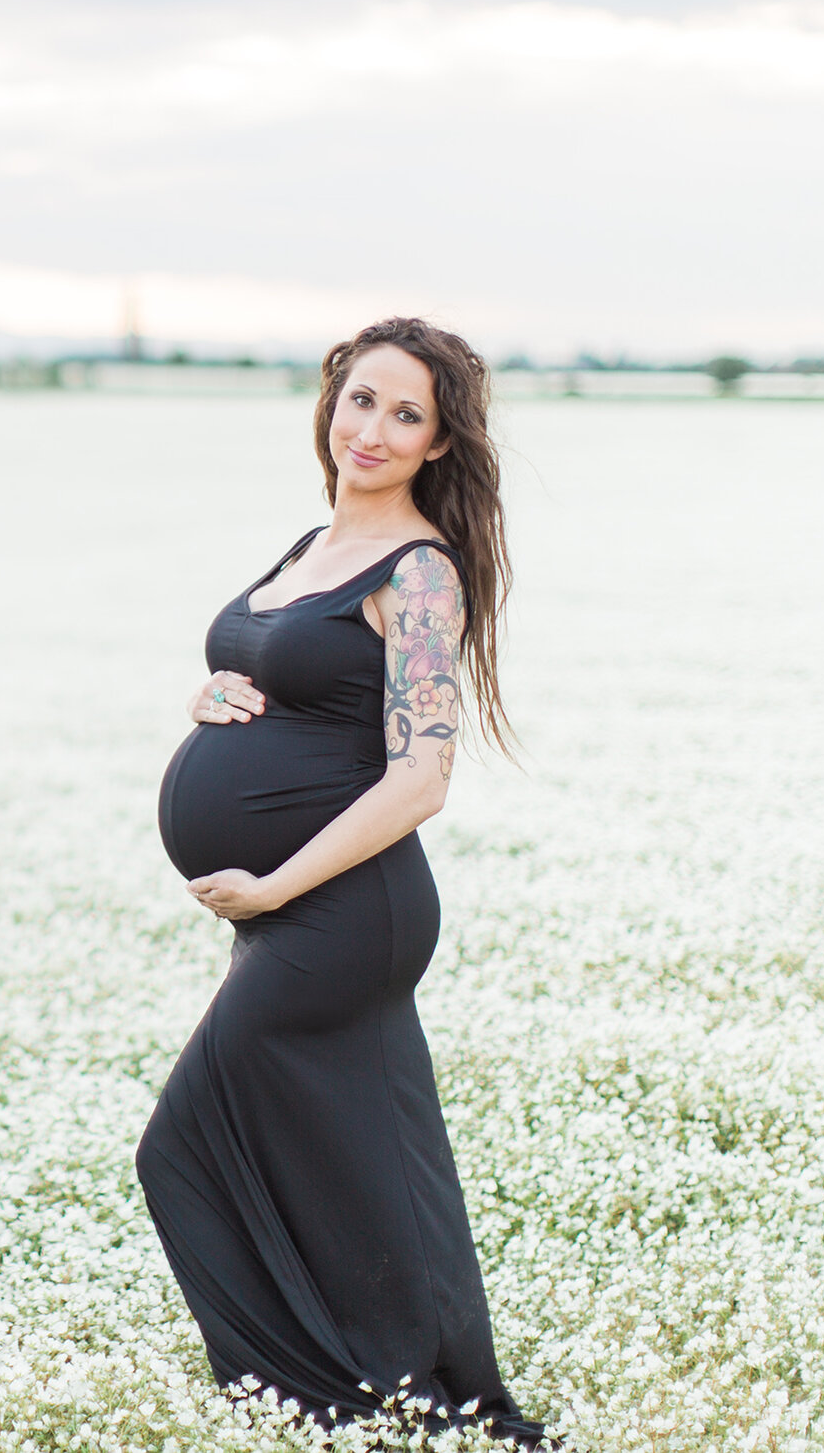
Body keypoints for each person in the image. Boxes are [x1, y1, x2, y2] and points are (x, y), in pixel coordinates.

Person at [138, 317, 549, 1444]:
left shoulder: (418, 571)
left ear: (437, 444)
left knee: (181, 1142)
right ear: (330, 401)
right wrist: (205, 698)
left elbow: (421, 776)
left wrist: (275, 886)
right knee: (365, 1153)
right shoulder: (306, 544)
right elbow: (279, 674)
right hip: (306, 910)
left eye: (405, 414)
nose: (372, 428)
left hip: (341, 908)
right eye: (360, 399)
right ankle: (415, 1388)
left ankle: (323, 1391)